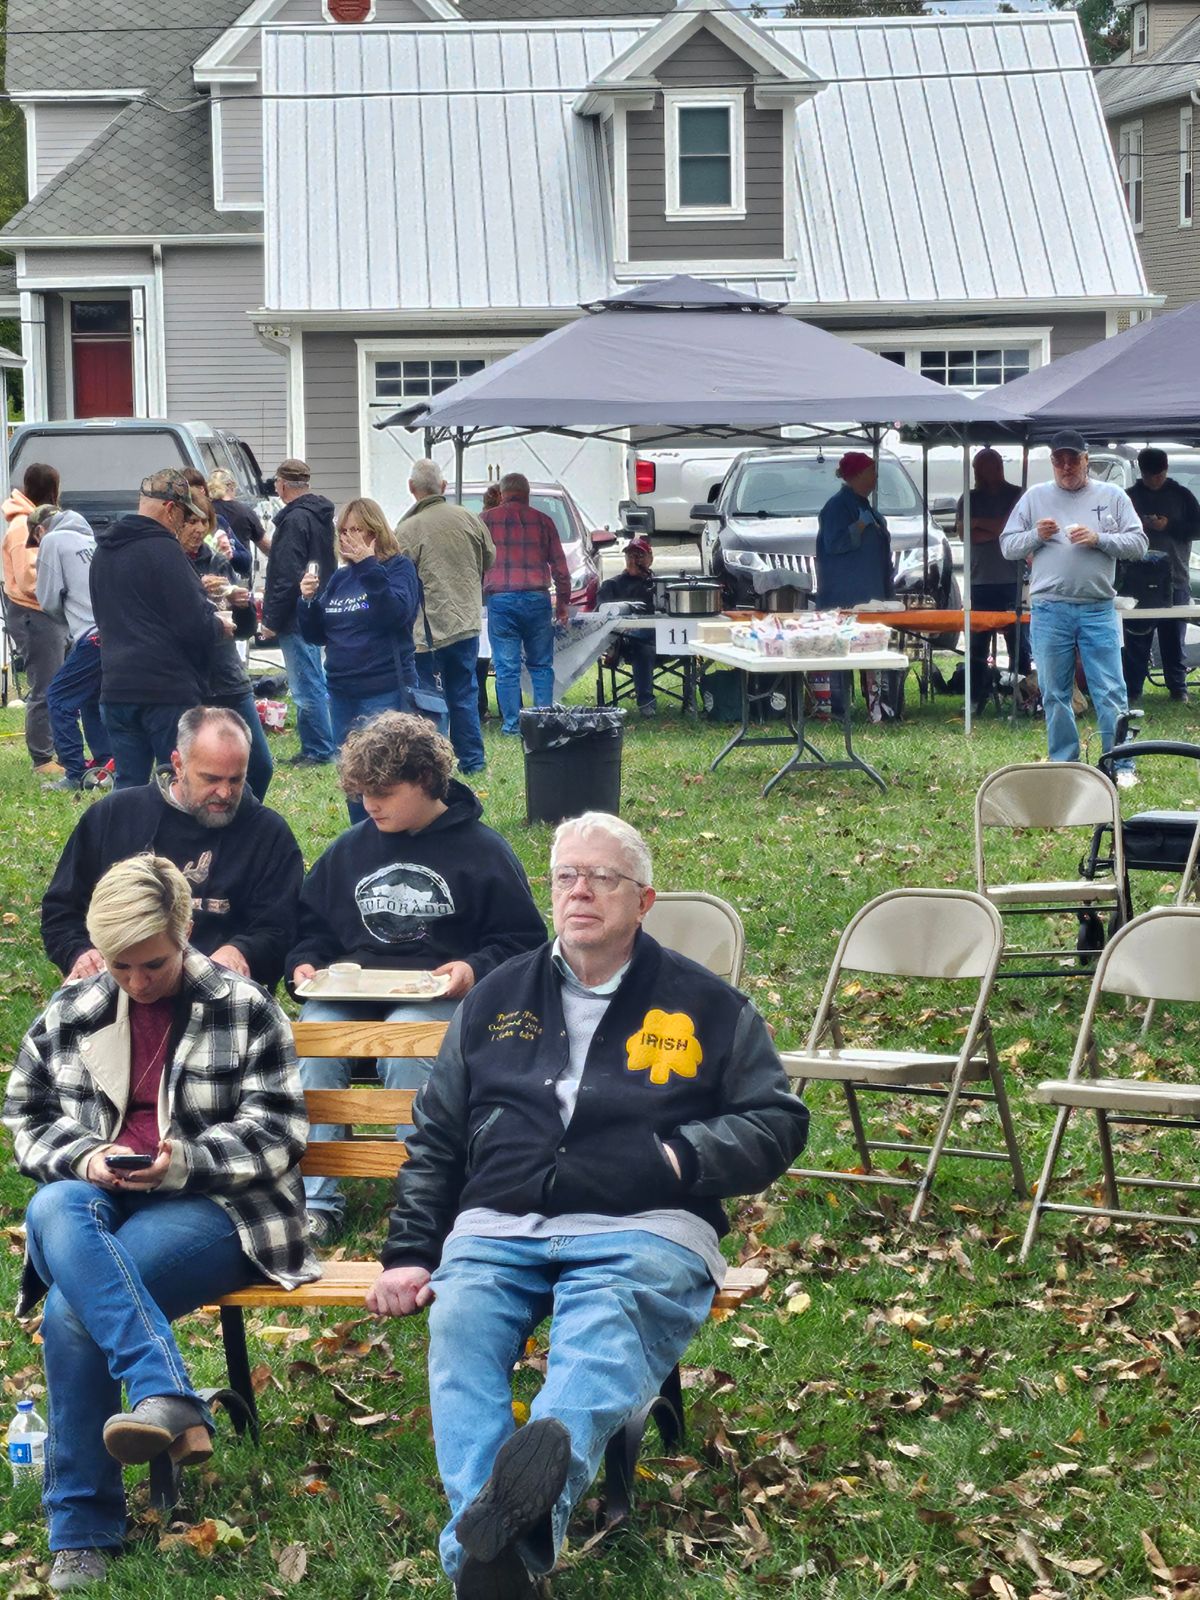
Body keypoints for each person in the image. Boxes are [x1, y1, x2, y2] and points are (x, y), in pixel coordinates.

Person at [366, 811, 808, 1600]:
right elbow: (437, 1137)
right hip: (500, 1222)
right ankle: (505, 1547)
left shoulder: (708, 1006)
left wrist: (676, 1158)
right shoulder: (495, 997)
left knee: (598, 1340)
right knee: (460, 1326)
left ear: (644, 901)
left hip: (643, 1226)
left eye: (604, 878)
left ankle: (489, 1557)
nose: (581, 892)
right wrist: (408, 1252)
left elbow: (777, 1121)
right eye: (566, 876)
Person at [3, 854, 318, 1594]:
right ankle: (168, 1391)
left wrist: (182, 1163)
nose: (137, 981)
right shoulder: (74, 1007)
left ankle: (81, 1530)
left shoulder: (244, 1006)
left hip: (222, 1208)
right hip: (102, 1197)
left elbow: (280, 1133)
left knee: (73, 1306)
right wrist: (88, 1157)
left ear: (184, 934)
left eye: (153, 964)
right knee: (51, 1203)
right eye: (120, 965)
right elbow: (25, 1116)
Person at [287, 712, 546, 1245]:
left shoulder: (482, 851)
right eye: (362, 793)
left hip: (438, 995)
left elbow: (524, 942)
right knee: (316, 1032)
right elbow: (311, 930)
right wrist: (305, 965)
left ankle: (424, 1196)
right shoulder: (350, 850)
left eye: (383, 792)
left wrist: (473, 969)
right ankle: (317, 1200)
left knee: (406, 1039)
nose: (370, 805)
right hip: (354, 988)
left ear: (425, 780)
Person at [42, 706, 303, 991]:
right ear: (178, 764)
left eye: (235, 779)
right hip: (121, 982)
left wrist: (242, 952)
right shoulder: (113, 817)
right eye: (211, 779)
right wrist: (80, 953)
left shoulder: (268, 834)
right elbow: (61, 909)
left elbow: (282, 927)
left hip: (222, 990)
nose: (224, 793)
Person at [1001, 429, 1147, 782]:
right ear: (1052, 462)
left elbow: (1139, 544)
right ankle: (1064, 764)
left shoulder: (1112, 496)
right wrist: (1036, 535)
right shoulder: (1035, 497)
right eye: (1058, 460)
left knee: (1110, 690)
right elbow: (1007, 546)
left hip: (1098, 607)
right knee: (1054, 692)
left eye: (1073, 459)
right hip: (1050, 609)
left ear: (1086, 460)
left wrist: (1100, 539)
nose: (1066, 466)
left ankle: (1120, 764)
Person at [88, 468, 232, 790]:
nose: (182, 525)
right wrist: (218, 625)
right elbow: (193, 624)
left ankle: (126, 826)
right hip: (165, 692)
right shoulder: (166, 551)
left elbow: (102, 616)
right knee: (178, 783)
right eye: (183, 515)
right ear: (170, 509)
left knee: (129, 787)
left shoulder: (103, 551)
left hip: (115, 688)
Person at [297, 498, 421, 822]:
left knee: (385, 771)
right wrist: (307, 602)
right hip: (342, 691)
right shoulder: (340, 578)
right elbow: (318, 635)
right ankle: (360, 835)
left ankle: (393, 831)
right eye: (343, 531)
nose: (348, 537)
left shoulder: (398, 568)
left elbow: (396, 614)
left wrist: (369, 566)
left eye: (356, 530)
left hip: (383, 688)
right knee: (353, 774)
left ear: (375, 532)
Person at [395, 459, 495, 777]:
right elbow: (489, 558)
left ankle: (433, 765)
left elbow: (398, 577)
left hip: (427, 631)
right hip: (465, 622)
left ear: (411, 488)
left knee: (428, 699)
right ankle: (473, 761)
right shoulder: (469, 518)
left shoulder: (407, 529)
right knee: (464, 692)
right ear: (443, 486)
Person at [176, 493, 274, 801]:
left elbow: (242, 631)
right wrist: (198, 592)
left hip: (229, 676)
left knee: (260, 765)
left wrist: (242, 605)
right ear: (175, 523)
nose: (197, 529)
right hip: (188, 681)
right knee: (194, 770)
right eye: (190, 521)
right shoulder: (168, 564)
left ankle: (240, 819)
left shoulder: (217, 561)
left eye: (203, 521)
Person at [260, 458, 337, 768]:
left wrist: (271, 620)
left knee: (306, 685)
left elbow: (285, 575)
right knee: (316, 677)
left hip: (296, 615)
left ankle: (319, 749)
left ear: (282, 485)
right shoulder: (321, 517)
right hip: (318, 607)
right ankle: (320, 743)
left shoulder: (293, 521)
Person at [481, 472, 570, 735]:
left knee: (506, 667)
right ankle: (543, 721)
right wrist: (562, 603)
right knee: (541, 665)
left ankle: (512, 725)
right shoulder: (544, 521)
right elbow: (561, 569)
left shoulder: (485, 521)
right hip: (537, 598)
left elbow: (473, 562)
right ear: (527, 494)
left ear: (501, 494)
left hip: (501, 600)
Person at [32, 505, 111, 793]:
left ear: (40, 530)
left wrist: (63, 619)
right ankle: (105, 763)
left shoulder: (52, 540)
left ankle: (74, 772)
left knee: (59, 697)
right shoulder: (91, 541)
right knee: (91, 699)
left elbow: (48, 597)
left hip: (91, 636)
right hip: (112, 633)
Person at [816, 452, 894, 720]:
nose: (876, 477)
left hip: (871, 593)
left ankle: (876, 705)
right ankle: (837, 708)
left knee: (870, 650)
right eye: (871, 471)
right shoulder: (837, 507)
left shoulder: (867, 506)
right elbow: (834, 543)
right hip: (844, 594)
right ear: (858, 475)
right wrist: (859, 527)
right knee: (841, 650)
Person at [3, 461, 69, 775]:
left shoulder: (38, 522)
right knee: (46, 686)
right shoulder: (22, 527)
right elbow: (29, 579)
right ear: (51, 490)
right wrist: (62, 586)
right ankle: (42, 759)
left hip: (47, 612)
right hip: (34, 613)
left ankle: (58, 750)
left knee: (58, 684)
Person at [955, 449, 1030, 714]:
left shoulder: (1018, 495)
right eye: (977, 468)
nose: (978, 474)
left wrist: (980, 524)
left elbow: (1010, 529)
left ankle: (1024, 696)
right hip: (979, 580)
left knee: (1018, 642)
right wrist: (999, 530)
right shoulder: (969, 498)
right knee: (977, 644)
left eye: (984, 468)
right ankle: (975, 697)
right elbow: (965, 534)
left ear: (998, 467)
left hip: (1012, 578)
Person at [1124, 446, 1200, 704]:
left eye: (1158, 475)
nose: (1154, 480)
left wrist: (1170, 525)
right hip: (1136, 580)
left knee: (1173, 638)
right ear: (1141, 472)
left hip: (1175, 577)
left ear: (1166, 471)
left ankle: (1178, 688)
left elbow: (1197, 528)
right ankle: (1133, 689)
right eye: (1149, 476)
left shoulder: (1182, 496)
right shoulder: (1129, 496)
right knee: (1136, 637)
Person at [597, 536, 657, 716]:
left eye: (640, 555)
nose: (634, 560)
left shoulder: (658, 584)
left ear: (650, 559)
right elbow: (599, 618)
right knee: (642, 647)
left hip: (661, 638)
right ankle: (646, 702)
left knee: (685, 641)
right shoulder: (612, 585)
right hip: (626, 643)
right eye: (631, 555)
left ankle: (691, 698)